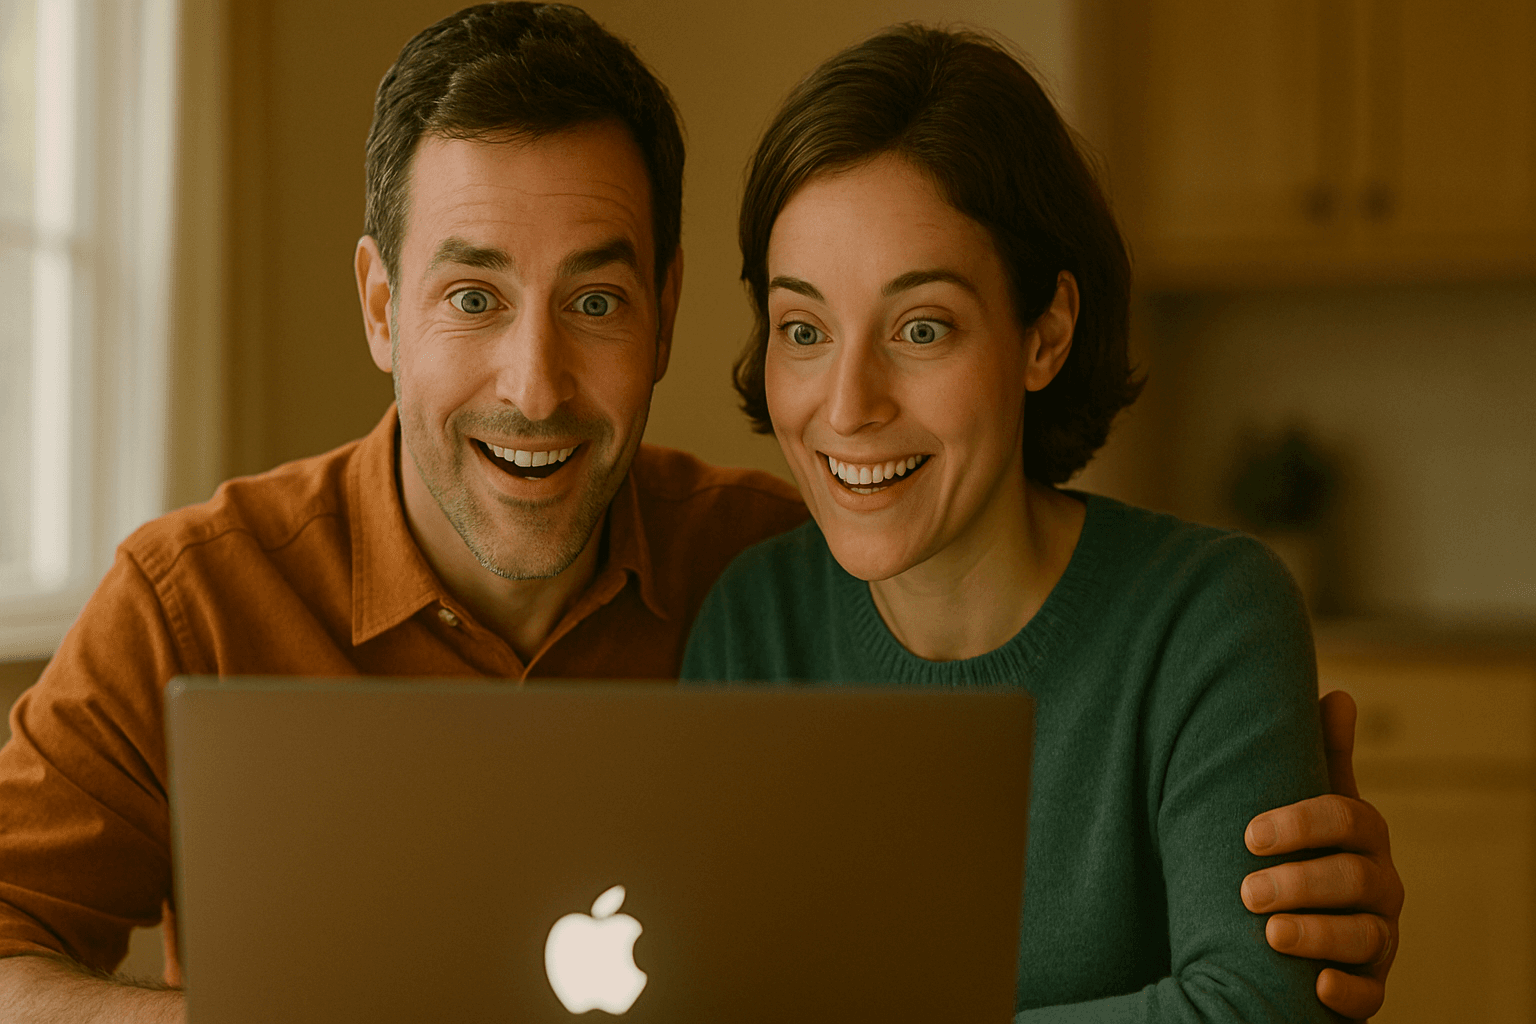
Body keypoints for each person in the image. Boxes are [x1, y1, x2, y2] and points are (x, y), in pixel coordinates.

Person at [0, 5, 1398, 1022]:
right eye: (472, 296)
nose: (535, 383)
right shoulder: (191, 598)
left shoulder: (773, 563)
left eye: (596, 301)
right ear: (382, 305)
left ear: (667, 313)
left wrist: (1284, 912)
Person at [682, 23, 1400, 1022]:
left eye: (921, 328)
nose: (847, 404)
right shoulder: (752, 622)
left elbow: (1257, 1008)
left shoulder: (1207, 617)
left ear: (1045, 333)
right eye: (805, 330)